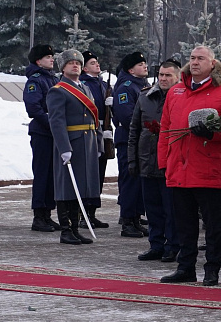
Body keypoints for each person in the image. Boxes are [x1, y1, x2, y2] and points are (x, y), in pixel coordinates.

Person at [157, 46, 221, 285]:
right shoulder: (176, 91)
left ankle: (212, 268)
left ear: (212, 63)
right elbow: (165, 128)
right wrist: (164, 161)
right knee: (184, 224)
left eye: (201, 59)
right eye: (193, 58)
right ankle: (186, 267)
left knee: (214, 224)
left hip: (208, 167)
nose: (195, 62)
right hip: (179, 167)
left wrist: (212, 133)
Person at [47, 49, 102, 245]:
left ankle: (76, 228)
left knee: (81, 186)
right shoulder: (58, 91)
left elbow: (95, 119)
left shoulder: (85, 88)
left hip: (87, 143)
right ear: (62, 67)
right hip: (71, 143)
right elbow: (56, 122)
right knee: (66, 186)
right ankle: (65, 230)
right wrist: (64, 148)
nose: (75, 65)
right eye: (70, 62)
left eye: (78, 62)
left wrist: (99, 142)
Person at [129, 60, 181, 262]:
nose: (163, 79)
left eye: (168, 75)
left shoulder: (181, 97)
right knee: (152, 208)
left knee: (171, 210)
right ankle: (156, 244)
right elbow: (135, 130)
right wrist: (132, 160)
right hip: (147, 162)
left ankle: (172, 245)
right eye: (161, 74)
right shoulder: (145, 96)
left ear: (177, 77)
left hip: (171, 164)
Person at [112, 51, 150, 238]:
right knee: (129, 181)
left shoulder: (143, 85)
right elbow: (127, 116)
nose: (145, 66)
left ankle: (136, 218)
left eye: (145, 63)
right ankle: (127, 221)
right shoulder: (126, 87)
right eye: (140, 64)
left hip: (142, 140)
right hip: (128, 139)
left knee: (139, 182)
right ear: (130, 69)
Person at [24, 43, 58, 232]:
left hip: (54, 132)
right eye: (47, 57)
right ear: (38, 61)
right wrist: (52, 122)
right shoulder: (35, 80)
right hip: (42, 132)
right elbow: (33, 108)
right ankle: (38, 215)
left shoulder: (52, 79)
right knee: (42, 173)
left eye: (52, 57)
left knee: (52, 175)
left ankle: (47, 213)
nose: (51, 59)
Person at [79, 51, 112, 228]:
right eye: (92, 63)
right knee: (88, 174)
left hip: (102, 130)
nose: (97, 65)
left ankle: (92, 212)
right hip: (89, 130)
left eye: (97, 62)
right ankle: (82, 213)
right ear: (84, 68)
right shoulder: (83, 84)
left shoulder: (102, 83)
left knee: (99, 173)